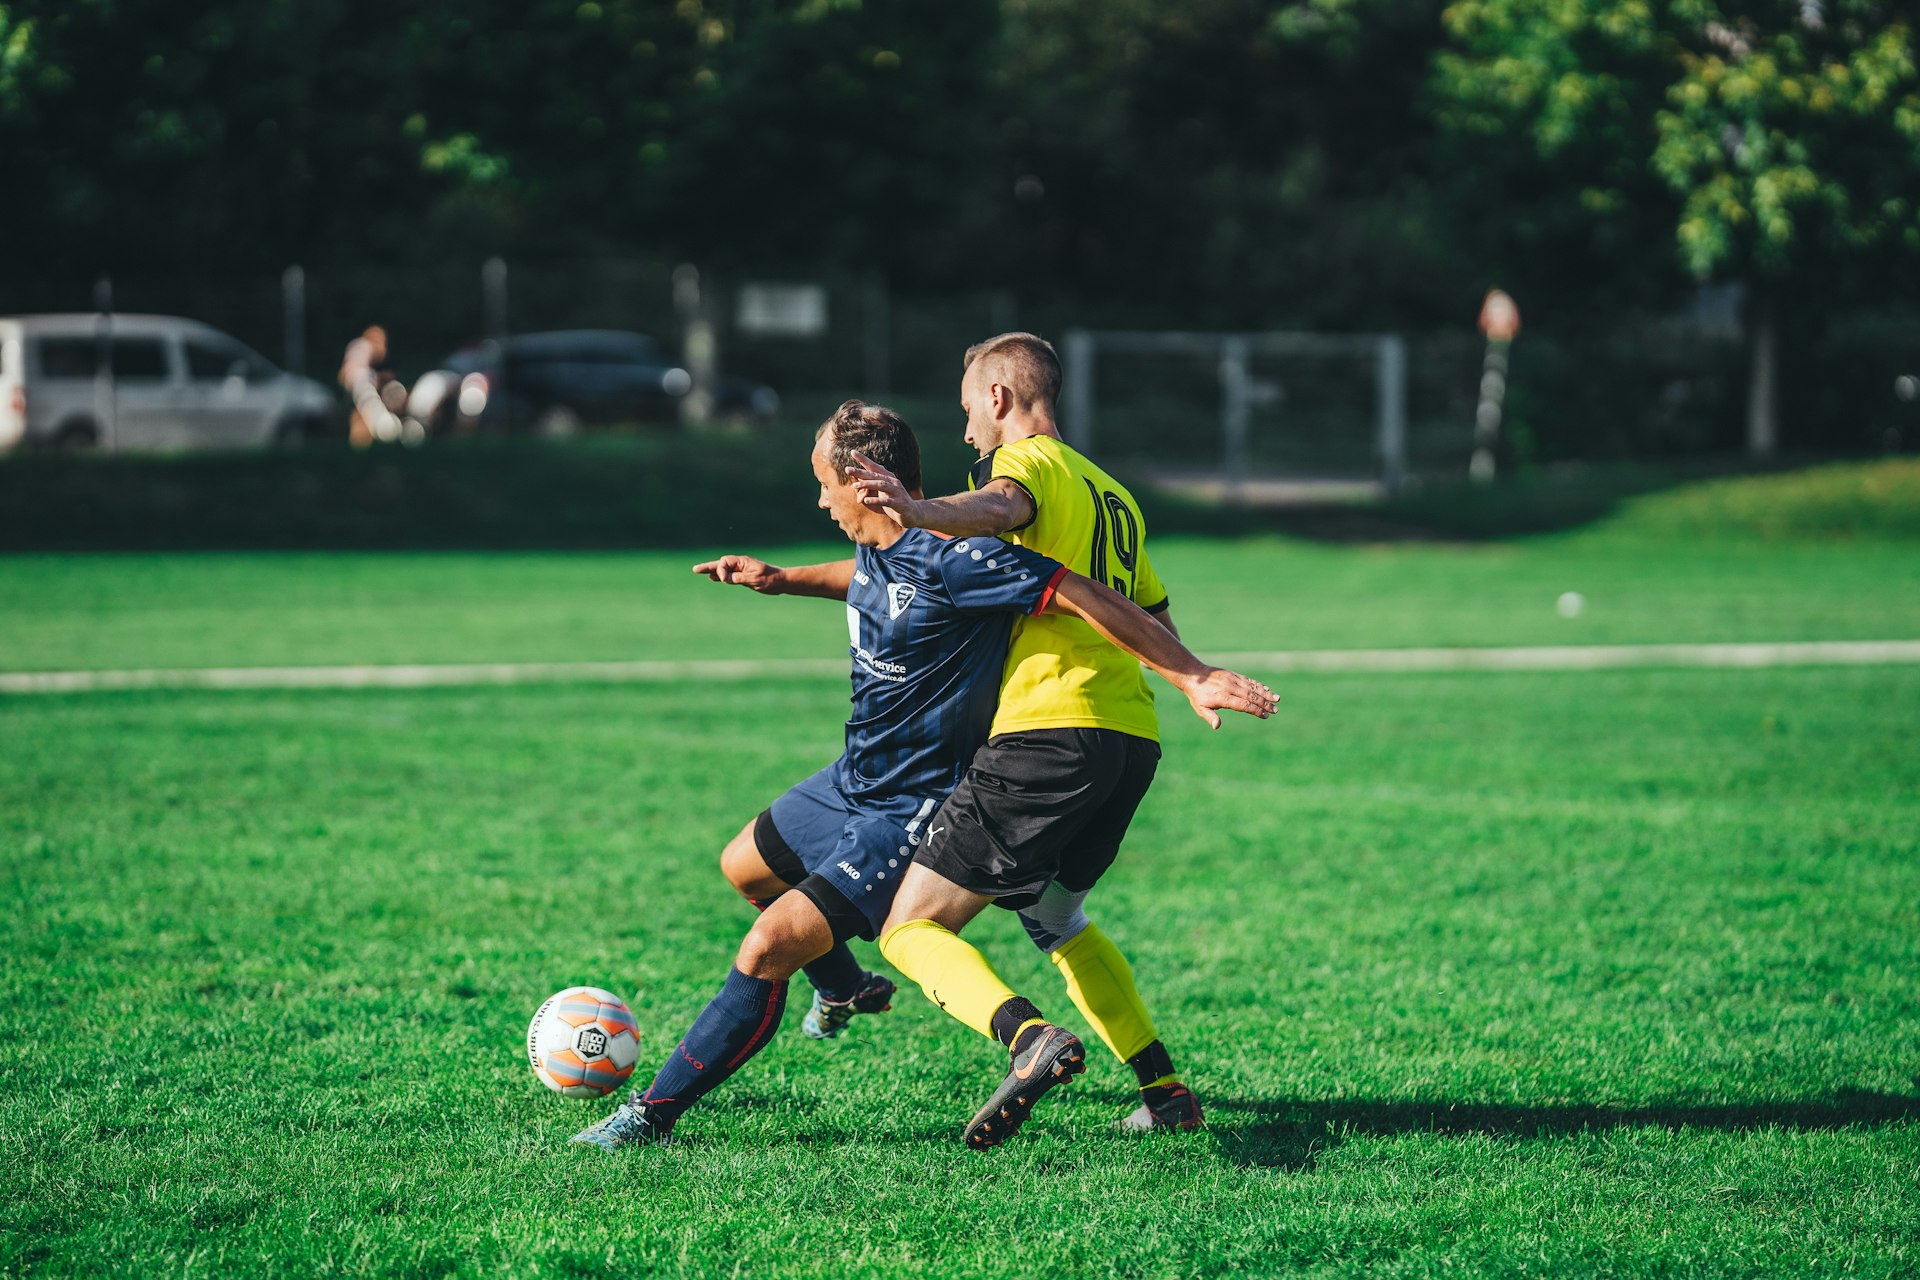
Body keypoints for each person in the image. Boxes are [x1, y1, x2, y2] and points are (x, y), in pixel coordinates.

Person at [569, 401, 1273, 1150]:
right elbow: (868, 578)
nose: (818, 501)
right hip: (852, 778)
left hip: (907, 807)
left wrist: (1187, 671)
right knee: (744, 866)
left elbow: (1079, 591)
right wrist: (782, 580)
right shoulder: (882, 551)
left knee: (766, 947)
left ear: (863, 485)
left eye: (823, 485)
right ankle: (844, 986)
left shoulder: (956, 557)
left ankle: (651, 1116)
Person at [847, 332, 1218, 1148]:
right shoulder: (1112, 491)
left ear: (1000, 398)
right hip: (1128, 737)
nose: (969, 431)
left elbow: (1001, 505)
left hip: (1047, 730)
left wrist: (919, 509)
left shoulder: (1031, 467)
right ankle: (1164, 1091)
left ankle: (1028, 1037)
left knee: (910, 928)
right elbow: (1149, 614)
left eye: (969, 409)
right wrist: (1190, 676)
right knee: (1058, 916)